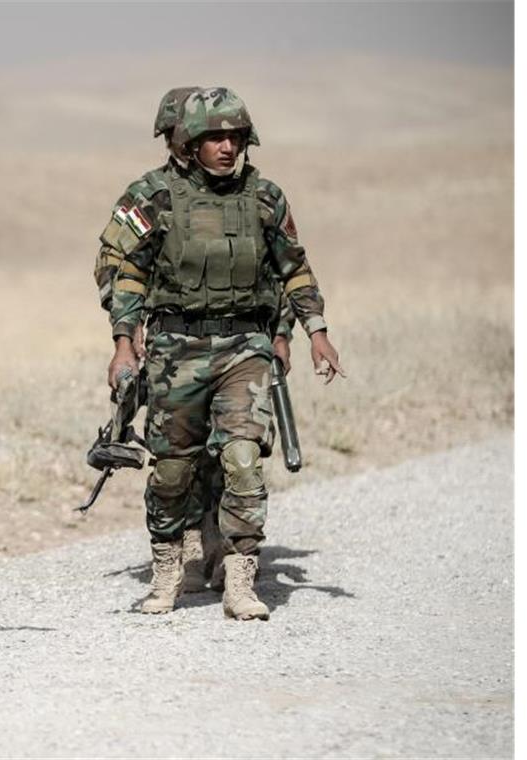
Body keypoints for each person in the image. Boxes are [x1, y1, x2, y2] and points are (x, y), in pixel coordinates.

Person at [93, 86, 343, 619]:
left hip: (243, 347)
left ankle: (240, 576)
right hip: (176, 349)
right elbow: (125, 271)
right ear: (188, 143)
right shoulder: (155, 196)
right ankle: (167, 570)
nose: (227, 147)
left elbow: (292, 268)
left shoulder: (265, 197)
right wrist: (123, 342)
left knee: (243, 458)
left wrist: (313, 330)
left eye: (235, 137)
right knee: (173, 471)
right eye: (214, 138)